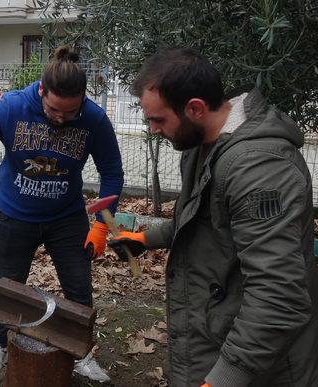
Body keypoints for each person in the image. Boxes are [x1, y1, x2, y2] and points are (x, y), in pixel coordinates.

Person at [109, 47, 318, 386]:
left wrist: (226, 376)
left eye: (158, 119)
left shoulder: (260, 167)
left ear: (194, 108)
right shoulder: (202, 145)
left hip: (264, 368)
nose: (153, 129)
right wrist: (146, 239)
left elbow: (278, 295)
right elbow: (198, 220)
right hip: (215, 337)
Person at [0, 46, 124, 382]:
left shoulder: (94, 119)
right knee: (9, 284)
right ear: (41, 91)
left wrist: (102, 225)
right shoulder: (11, 106)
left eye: (70, 112)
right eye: (54, 110)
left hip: (66, 218)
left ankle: (82, 354)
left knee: (78, 288)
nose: (61, 118)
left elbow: (112, 173)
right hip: (15, 215)